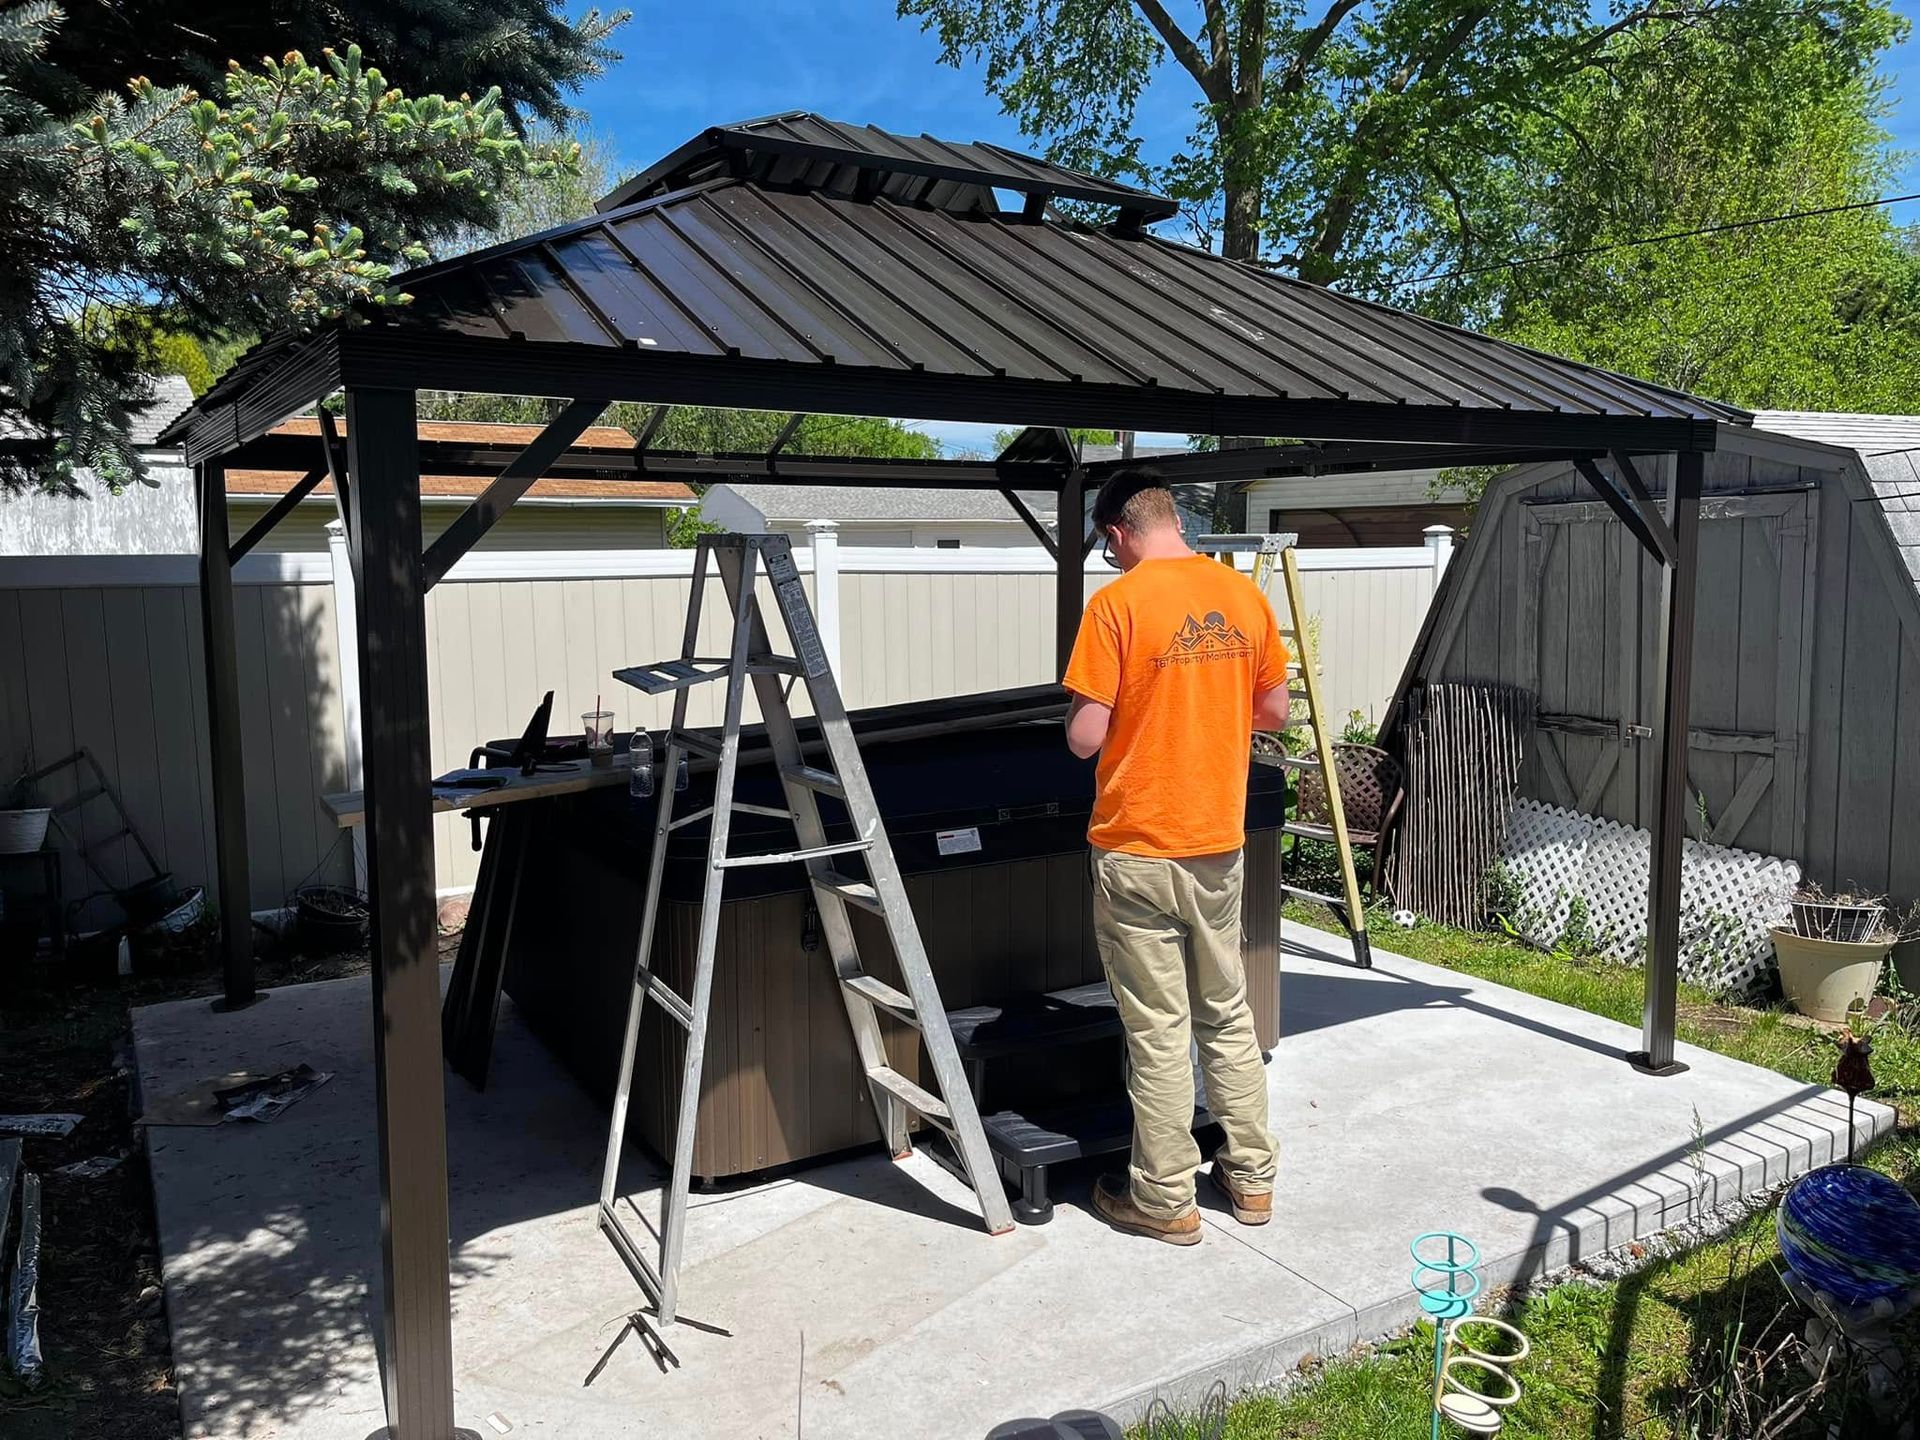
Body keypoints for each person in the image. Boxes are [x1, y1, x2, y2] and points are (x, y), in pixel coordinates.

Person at [1062, 468, 1290, 1245]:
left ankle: (1163, 1200)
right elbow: (1275, 712)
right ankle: (1252, 1180)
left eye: (1106, 545)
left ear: (1118, 531)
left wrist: (1141, 704)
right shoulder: (1243, 598)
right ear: (1172, 519)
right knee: (1227, 1011)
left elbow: (1085, 737)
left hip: (1137, 844)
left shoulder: (1118, 605)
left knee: (1158, 1029)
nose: (1109, 557)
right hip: (1217, 843)